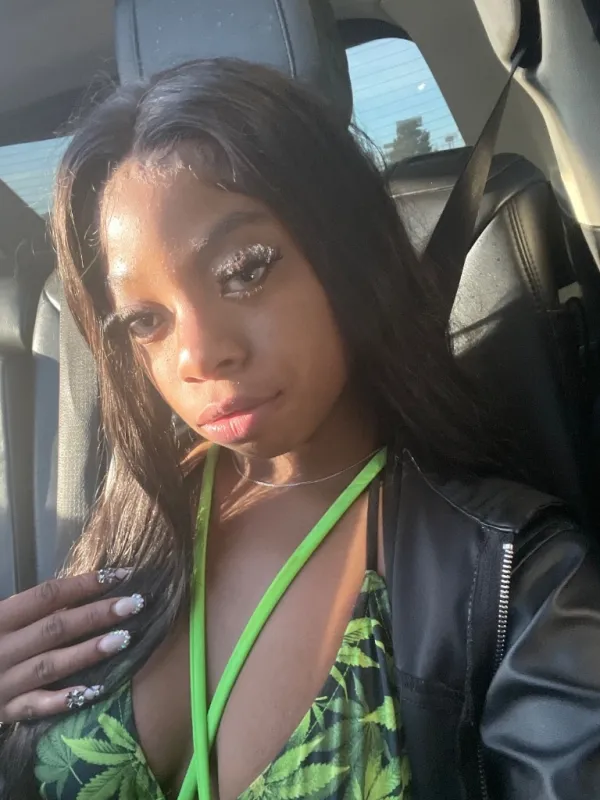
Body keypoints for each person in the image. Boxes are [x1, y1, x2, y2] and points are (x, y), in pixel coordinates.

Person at [1, 58, 600, 800]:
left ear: (348, 250)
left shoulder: (521, 581)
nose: (197, 356)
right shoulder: (134, 515)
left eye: (245, 270)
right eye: (146, 320)